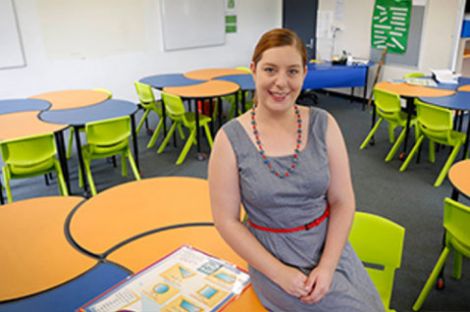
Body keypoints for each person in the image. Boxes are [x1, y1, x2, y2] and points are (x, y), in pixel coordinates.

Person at [208, 28, 383, 311]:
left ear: (304, 74)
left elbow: (342, 200)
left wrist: (327, 266)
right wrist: (279, 273)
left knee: (369, 306)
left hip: (328, 248)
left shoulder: (324, 124)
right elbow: (226, 221)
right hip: (273, 257)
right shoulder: (230, 139)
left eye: (292, 71)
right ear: (253, 71)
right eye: (270, 70)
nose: (281, 82)